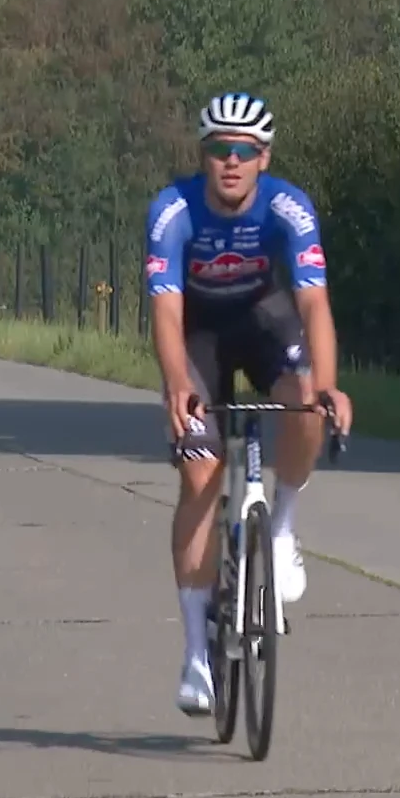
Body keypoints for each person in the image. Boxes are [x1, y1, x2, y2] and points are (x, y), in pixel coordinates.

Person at [143, 91, 355, 717]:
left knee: (305, 402)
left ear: (264, 158)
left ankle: (282, 526)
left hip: (264, 319)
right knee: (201, 476)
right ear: (203, 155)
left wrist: (329, 386)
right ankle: (195, 657)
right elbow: (166, 311)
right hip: (199, 336)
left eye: (245, 151)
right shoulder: (172, 210)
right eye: (218, 150)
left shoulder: (289, 207)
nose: (231, 161)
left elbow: (314, 303)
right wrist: (177, 383)